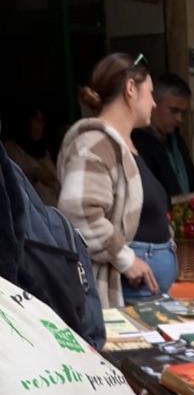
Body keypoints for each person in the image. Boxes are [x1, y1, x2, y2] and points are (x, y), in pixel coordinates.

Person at [57, 52, 175, 307]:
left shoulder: (123, 144)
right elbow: (77, 212)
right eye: (151, 93)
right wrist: (126, 259)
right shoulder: (95, 142)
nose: (154, 103)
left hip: (143, 291)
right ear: (131, 88)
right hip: (125, 291)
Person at [132, 72, 194, 201]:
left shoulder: (177, 141)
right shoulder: (137, 143)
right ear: (153, 104)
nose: (179, 119)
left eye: (183, 113)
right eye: (174, 111)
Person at [3, 107, 61, 207]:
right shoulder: (12, 149)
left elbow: (55, 178)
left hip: (55, 215)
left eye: (42, 120)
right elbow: (13, 180)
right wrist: (35, 173)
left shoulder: (43, 152)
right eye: (36, 119)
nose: (40, 124)